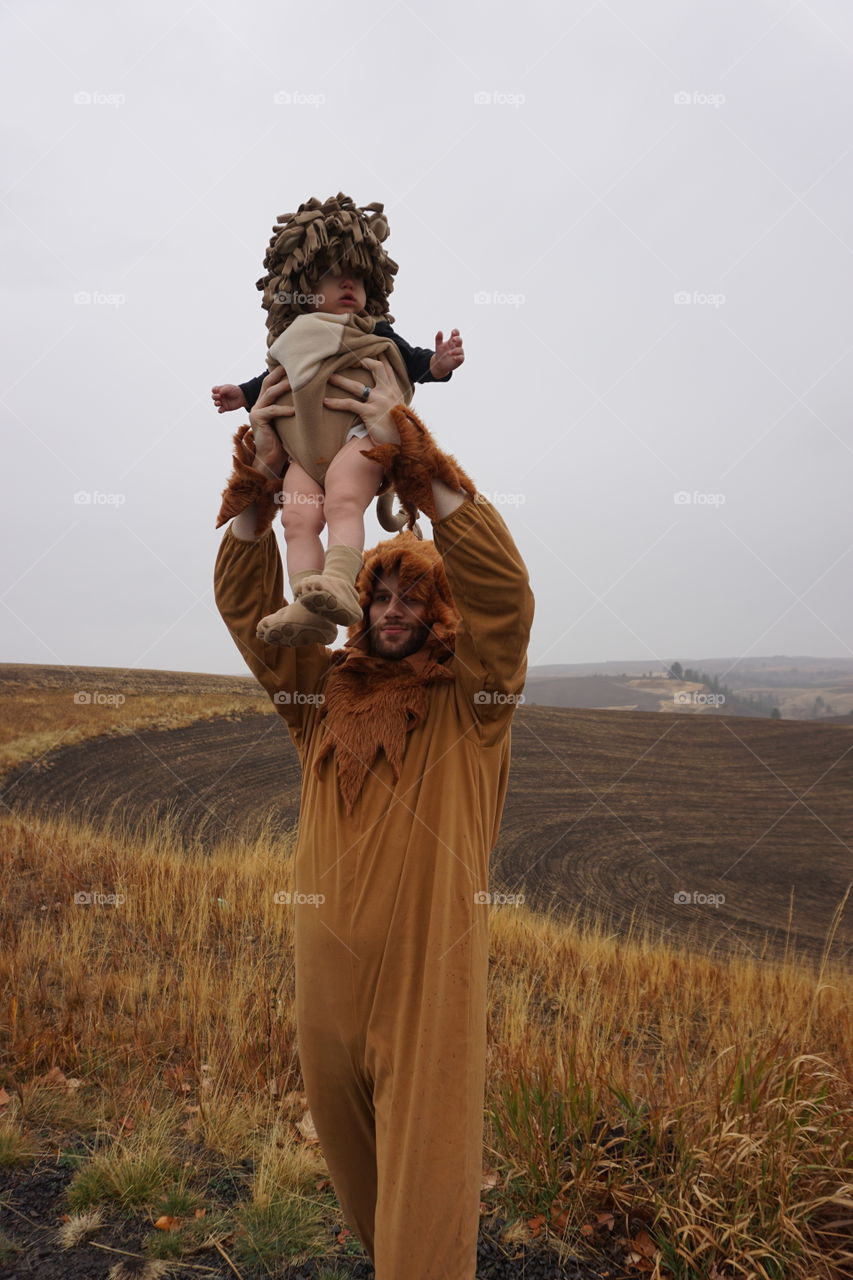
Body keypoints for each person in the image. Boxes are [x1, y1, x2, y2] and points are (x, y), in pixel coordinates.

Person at [213, 354, 534, 1280]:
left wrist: (413, 459)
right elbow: (247, 611)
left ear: (438, 613)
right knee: (367, 1195)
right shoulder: (323, 695)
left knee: (426, 1206)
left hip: (425, 989)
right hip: (327, 989)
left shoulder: (473, 702)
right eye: (379, 594)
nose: (391, 610)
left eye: (411, 598)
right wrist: (260, 487)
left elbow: (505, 599)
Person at [212, 193, 464, 648]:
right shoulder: (293, 341)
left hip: (359, 435)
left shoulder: (373, 332)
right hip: (302, 451)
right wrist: (239, 395)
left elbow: (414, 364)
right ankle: (308, 606)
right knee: (296, 519)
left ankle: (341, 582)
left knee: (343, 501)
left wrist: (440, 364)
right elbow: (270, 381)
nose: (348, 285)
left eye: (358, 279)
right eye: (332, 276)